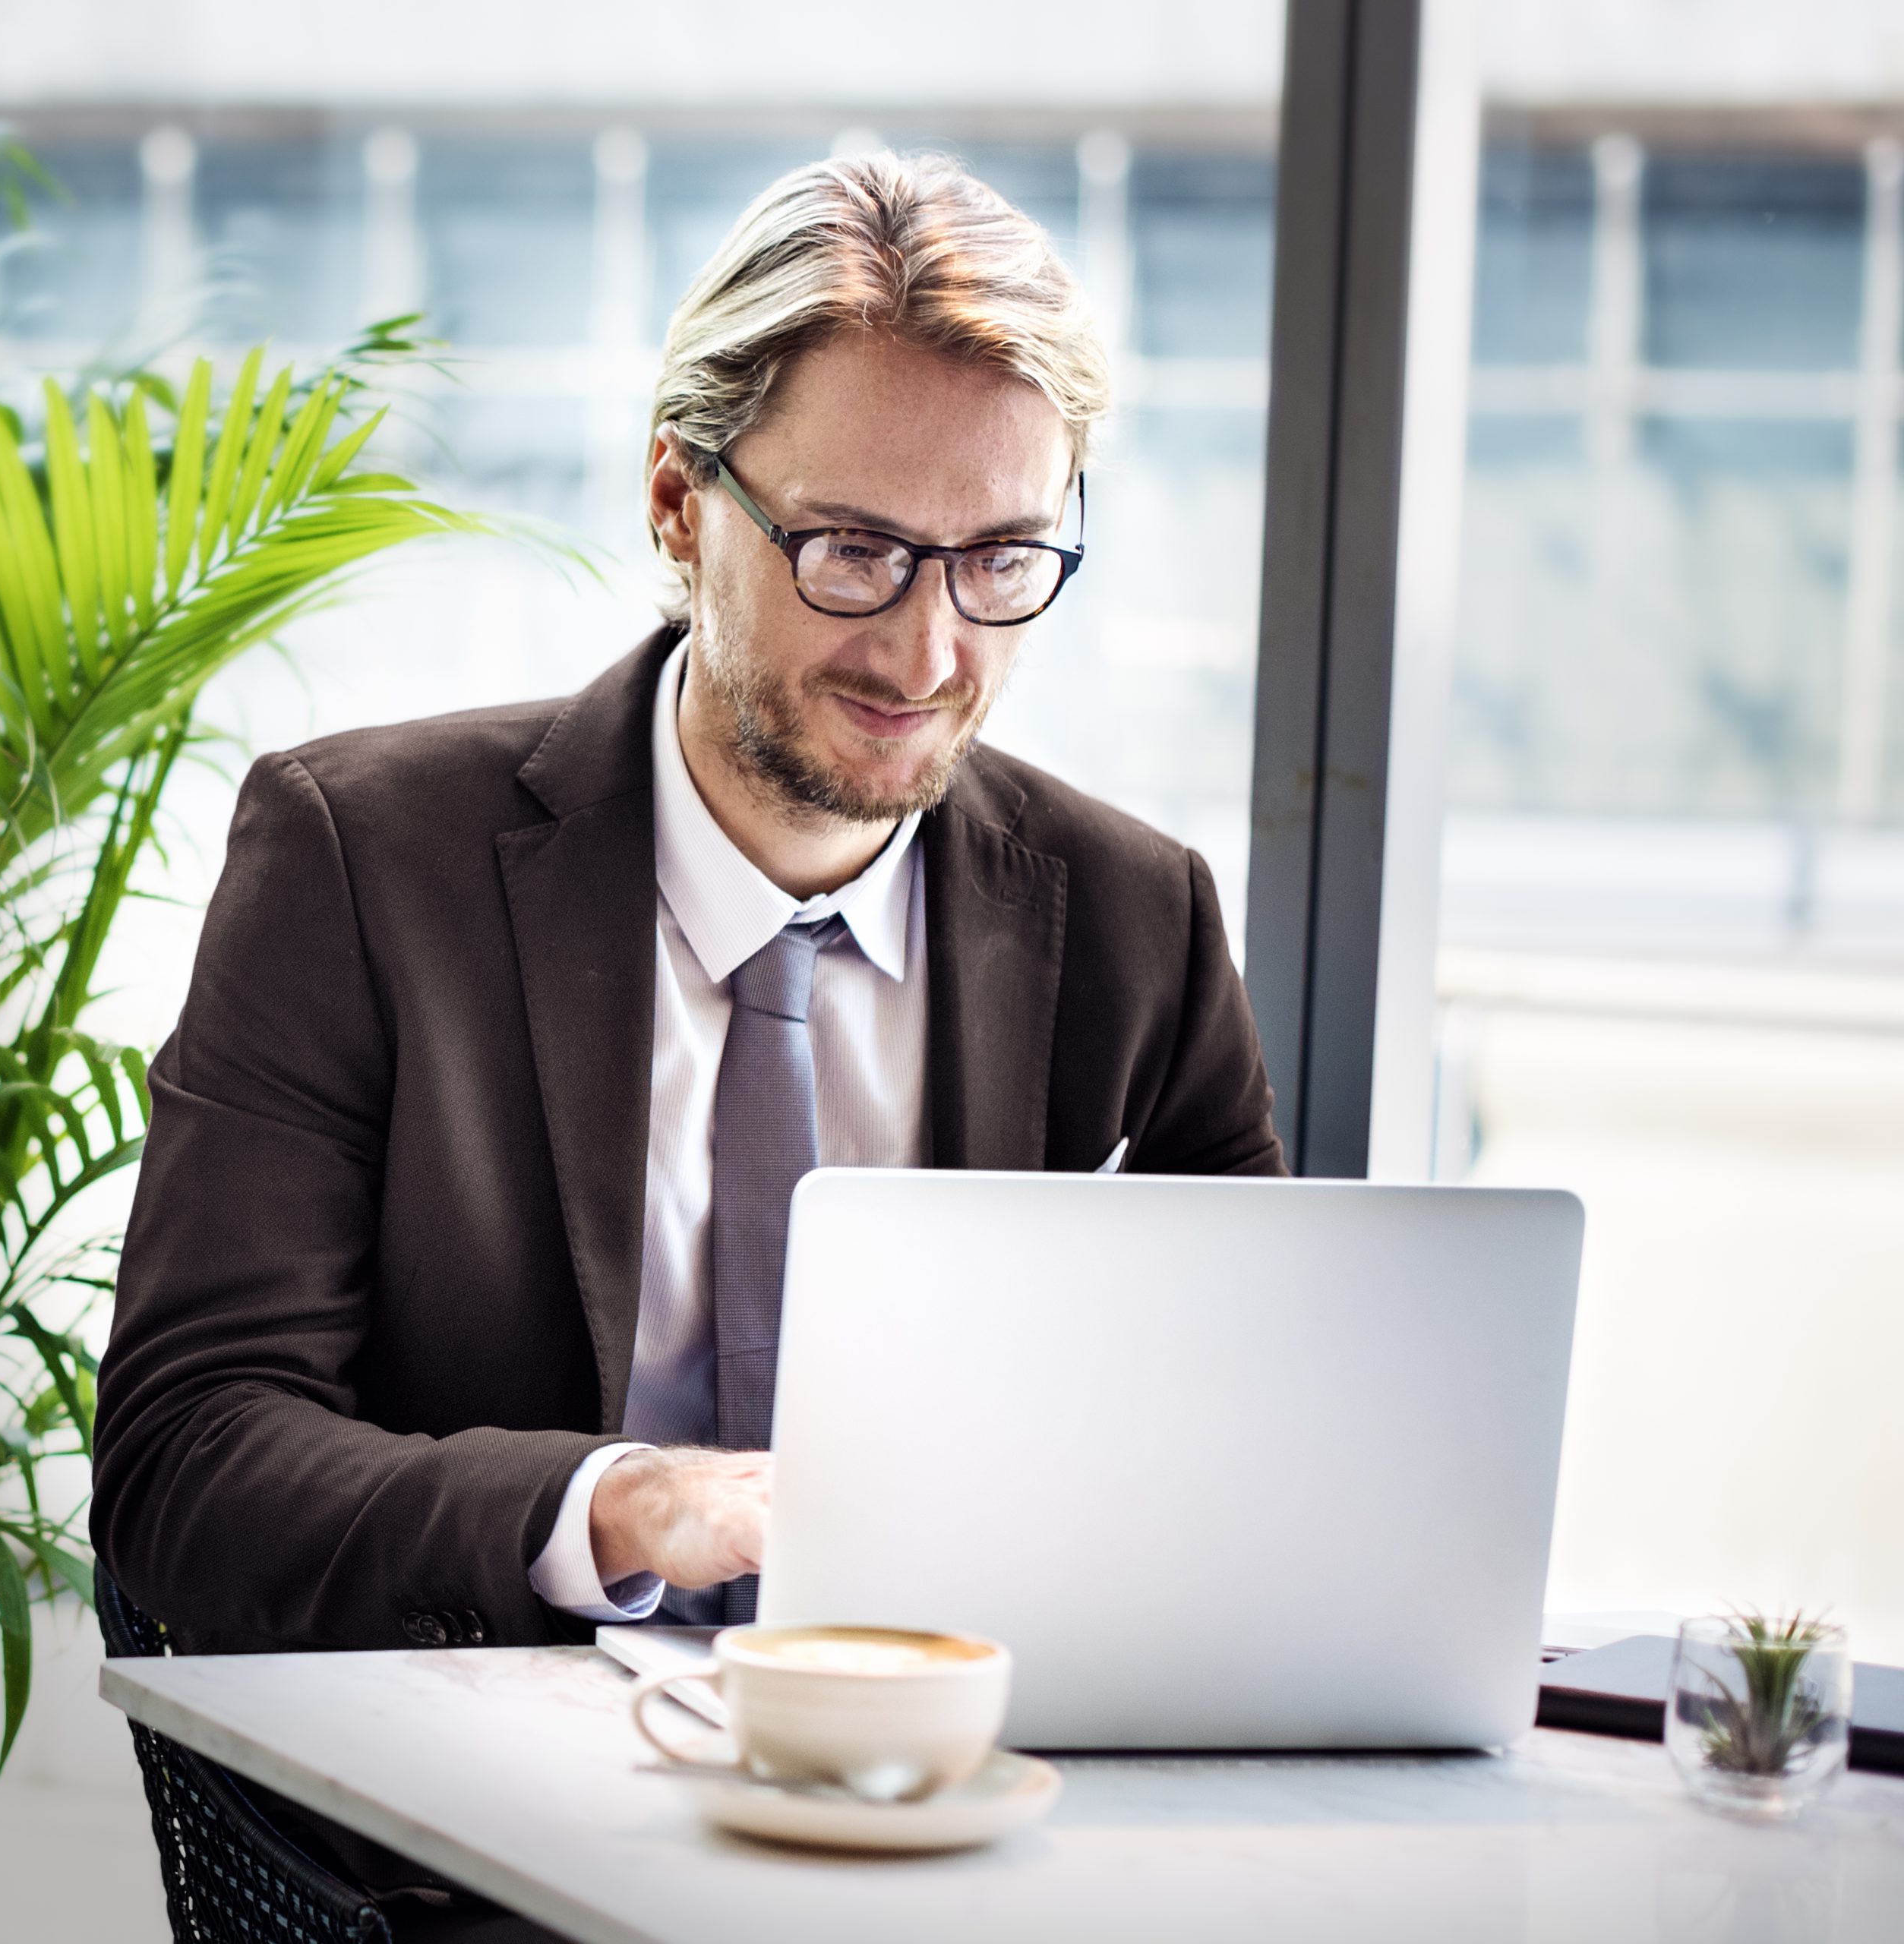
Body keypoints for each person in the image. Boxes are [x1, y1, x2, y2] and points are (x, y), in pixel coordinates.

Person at [93, 151, 1283, 1670]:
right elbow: (186, 1463)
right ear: (677, 502)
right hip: (490, 1833)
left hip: (965, 1801)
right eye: (852, 550)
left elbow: (1256, 1442)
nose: (926, 653)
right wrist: (609, 1507)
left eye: (999, 560)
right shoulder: (362, 861)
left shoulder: (1135, 919)